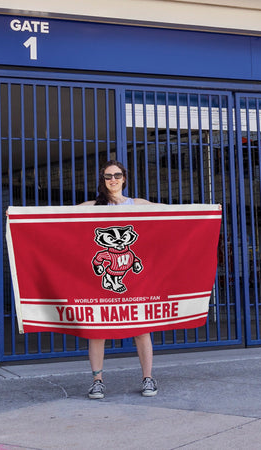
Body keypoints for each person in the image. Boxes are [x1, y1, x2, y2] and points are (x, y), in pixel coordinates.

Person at [81, 160, 158, 399]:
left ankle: (148, 378)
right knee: (97, 329)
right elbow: (60, 218)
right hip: (102, 280)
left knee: (141, 328)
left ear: (124, 178)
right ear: (102, 180)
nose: (112, 179)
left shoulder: (138, 204)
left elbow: (170, 212)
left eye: (117, 175)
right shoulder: (93, 206)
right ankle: (97, 381)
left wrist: (207, 210)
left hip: (134, 280)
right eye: (107, 176)